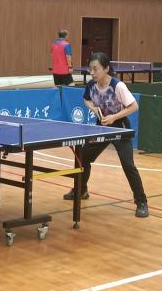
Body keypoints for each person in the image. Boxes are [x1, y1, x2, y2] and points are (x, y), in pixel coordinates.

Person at [63, 53, 148, 218]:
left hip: (120, 128)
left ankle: (141, 202)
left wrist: (114, 117)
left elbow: (134, 106)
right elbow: (86, 100)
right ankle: (81, 190)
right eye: (90, 69)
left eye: (96, 69)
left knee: (128, 165)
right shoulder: (91, 85)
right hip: (101, 127)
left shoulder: (118, 86)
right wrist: (95, 110)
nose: (92, 73)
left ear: (106, 69)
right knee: (83, 157)